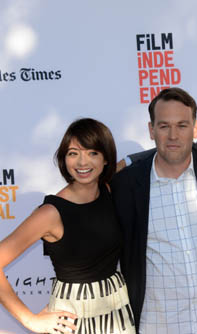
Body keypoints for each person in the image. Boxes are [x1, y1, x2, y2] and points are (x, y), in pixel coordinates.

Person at [111, 87, 197, 334]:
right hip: (158, 325)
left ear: (195, 128)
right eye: (164, 126)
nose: (173, 135)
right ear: (151, 130)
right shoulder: (126, 186)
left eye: (182, 125)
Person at [0, 118, 135, 334]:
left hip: (116, 314)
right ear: (64, 159)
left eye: (93, 153)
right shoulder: (51, 213)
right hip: (74, 320)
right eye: (74, 153)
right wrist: (30, 320)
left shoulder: (107, 190)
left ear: (106, 159)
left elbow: (138, 162)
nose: (83, 162)